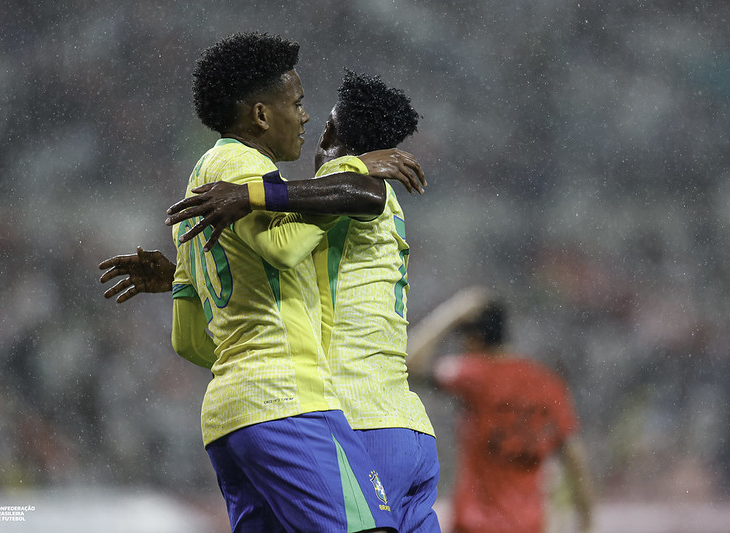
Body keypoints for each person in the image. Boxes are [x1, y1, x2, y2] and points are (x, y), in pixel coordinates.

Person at [101, 70, 441, 532]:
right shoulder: (363, 205)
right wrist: (191, 274)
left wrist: (245, 200)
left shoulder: (350, 193)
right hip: (407, 424)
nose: (304, 122)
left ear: (332, 136)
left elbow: (288, 241)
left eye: (317, 121)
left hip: (358, 417)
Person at [406, 287, 594, 533]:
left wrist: (451, 313)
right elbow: (575, 459)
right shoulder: (548, 385)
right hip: (528, 526)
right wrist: (587, 522)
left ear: (473, 339)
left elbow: (410, 362)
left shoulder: (472, 374)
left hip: (475, 525)